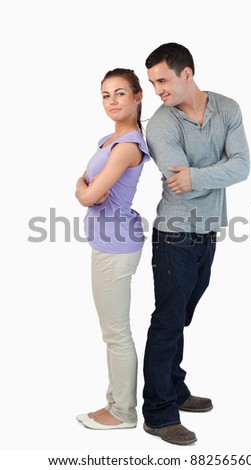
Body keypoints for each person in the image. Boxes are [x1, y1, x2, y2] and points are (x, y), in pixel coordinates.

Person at [142, 43, 250, 445]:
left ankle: (175, 387)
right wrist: (216, 171)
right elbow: (178, 184)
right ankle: (158, 412)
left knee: (182, 316)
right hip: (174, 233)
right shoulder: (160, 124)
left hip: (209, 232)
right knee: (168, 321)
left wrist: (199, 175)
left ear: (187, 73)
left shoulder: (228, 108)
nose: (158, 91)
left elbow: (243, 166)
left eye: (163, 80)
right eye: (153, 83)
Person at [75, 68, 150, 430]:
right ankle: (114, 404)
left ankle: (123, 412)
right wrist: (82, 188)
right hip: (107, 241)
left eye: (120, 93)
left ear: (138, 96)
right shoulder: (109, 139)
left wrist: (84, 191)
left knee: (116, 331)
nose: (112, 101)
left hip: (116, 246)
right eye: (106, 95)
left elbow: (90, 193)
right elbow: (84, 186)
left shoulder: (128, 146)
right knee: (112, 330)